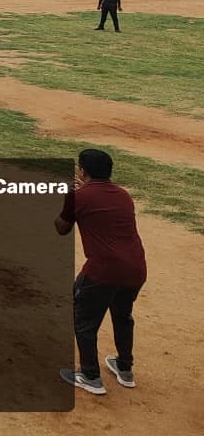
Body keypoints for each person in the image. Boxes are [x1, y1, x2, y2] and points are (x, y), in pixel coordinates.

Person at [55, 148, 146, 396]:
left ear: (82, 171)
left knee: (83, 318)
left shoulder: (78, 196)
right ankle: (125, 369)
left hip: (102, 271)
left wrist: (68, 196)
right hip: (136, 268)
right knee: (123, 315)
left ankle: (90, 375)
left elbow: (61, 228)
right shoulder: (124, 196)